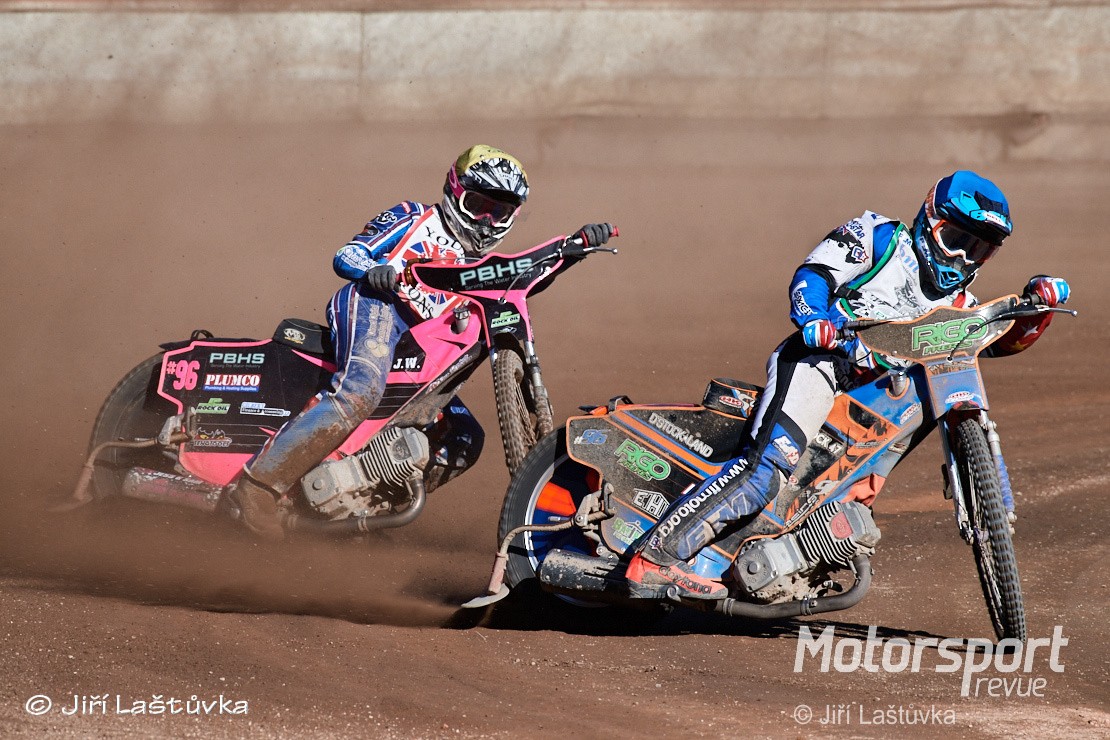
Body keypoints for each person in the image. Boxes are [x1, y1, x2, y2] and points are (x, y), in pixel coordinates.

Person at [625, 170, 1071, 599]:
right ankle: (655, 558)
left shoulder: (958, 306)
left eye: (978, 250)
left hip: (873, 399)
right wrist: (814, 319)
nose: (962, 259)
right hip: (822, 362)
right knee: (764, 472)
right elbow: (814, 275)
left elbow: (997, 344)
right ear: (930, 224)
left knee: (850, 498)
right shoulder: (879, 237)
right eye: (956, 240)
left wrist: (1039, 310)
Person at [231, 144, 615, 540]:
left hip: (419, 344)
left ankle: (362, 508)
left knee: (466, 438)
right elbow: (348, 253)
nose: (486, 221)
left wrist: (576, 248)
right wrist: (374, 270)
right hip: (378, 305)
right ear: (454, 191)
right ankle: (259, 486)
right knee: (361, 392)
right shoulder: (414, 216)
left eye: (499, 212)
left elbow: (525, 278)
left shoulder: (483, 268)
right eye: (478, 205)